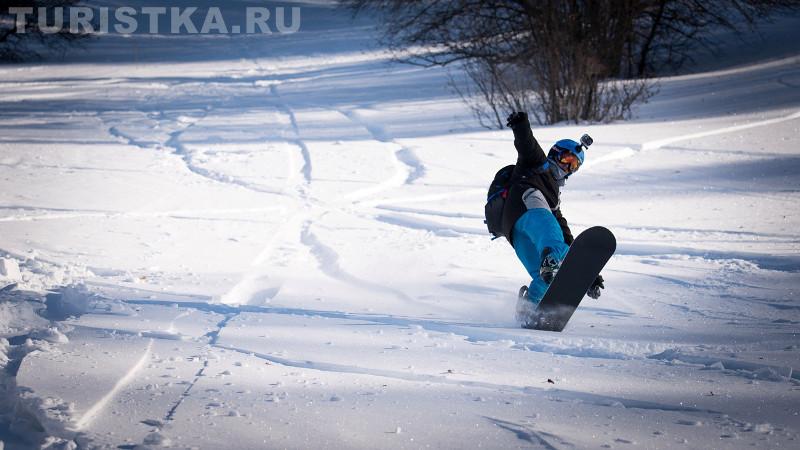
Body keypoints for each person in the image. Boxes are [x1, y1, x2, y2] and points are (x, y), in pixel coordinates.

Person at [488, 111, 604, 323]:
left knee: (549, 277)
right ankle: (550, 258)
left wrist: (589, 275)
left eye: (574, 166)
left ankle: (528, 310)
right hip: (525, 206)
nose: (567, 167)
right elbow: (527, 144)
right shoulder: (537, 164)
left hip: (515, 232)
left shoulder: (554, 200)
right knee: (554, 242)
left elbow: (568, 238)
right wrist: (521, 124)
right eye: (567, 159)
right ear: (556, 153)